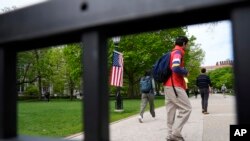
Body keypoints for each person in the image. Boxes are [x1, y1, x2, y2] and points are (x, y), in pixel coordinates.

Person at [164, 36, 192, 141]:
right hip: (174, 85)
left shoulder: (172, 52)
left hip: (167, 86)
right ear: (184, 44)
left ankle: (170, 135)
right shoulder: (178, 52)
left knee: (170, 111)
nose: (187, 46)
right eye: (187, 44)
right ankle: (175, 135)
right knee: (187, 108)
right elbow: (175, 67)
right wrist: (185, 71)